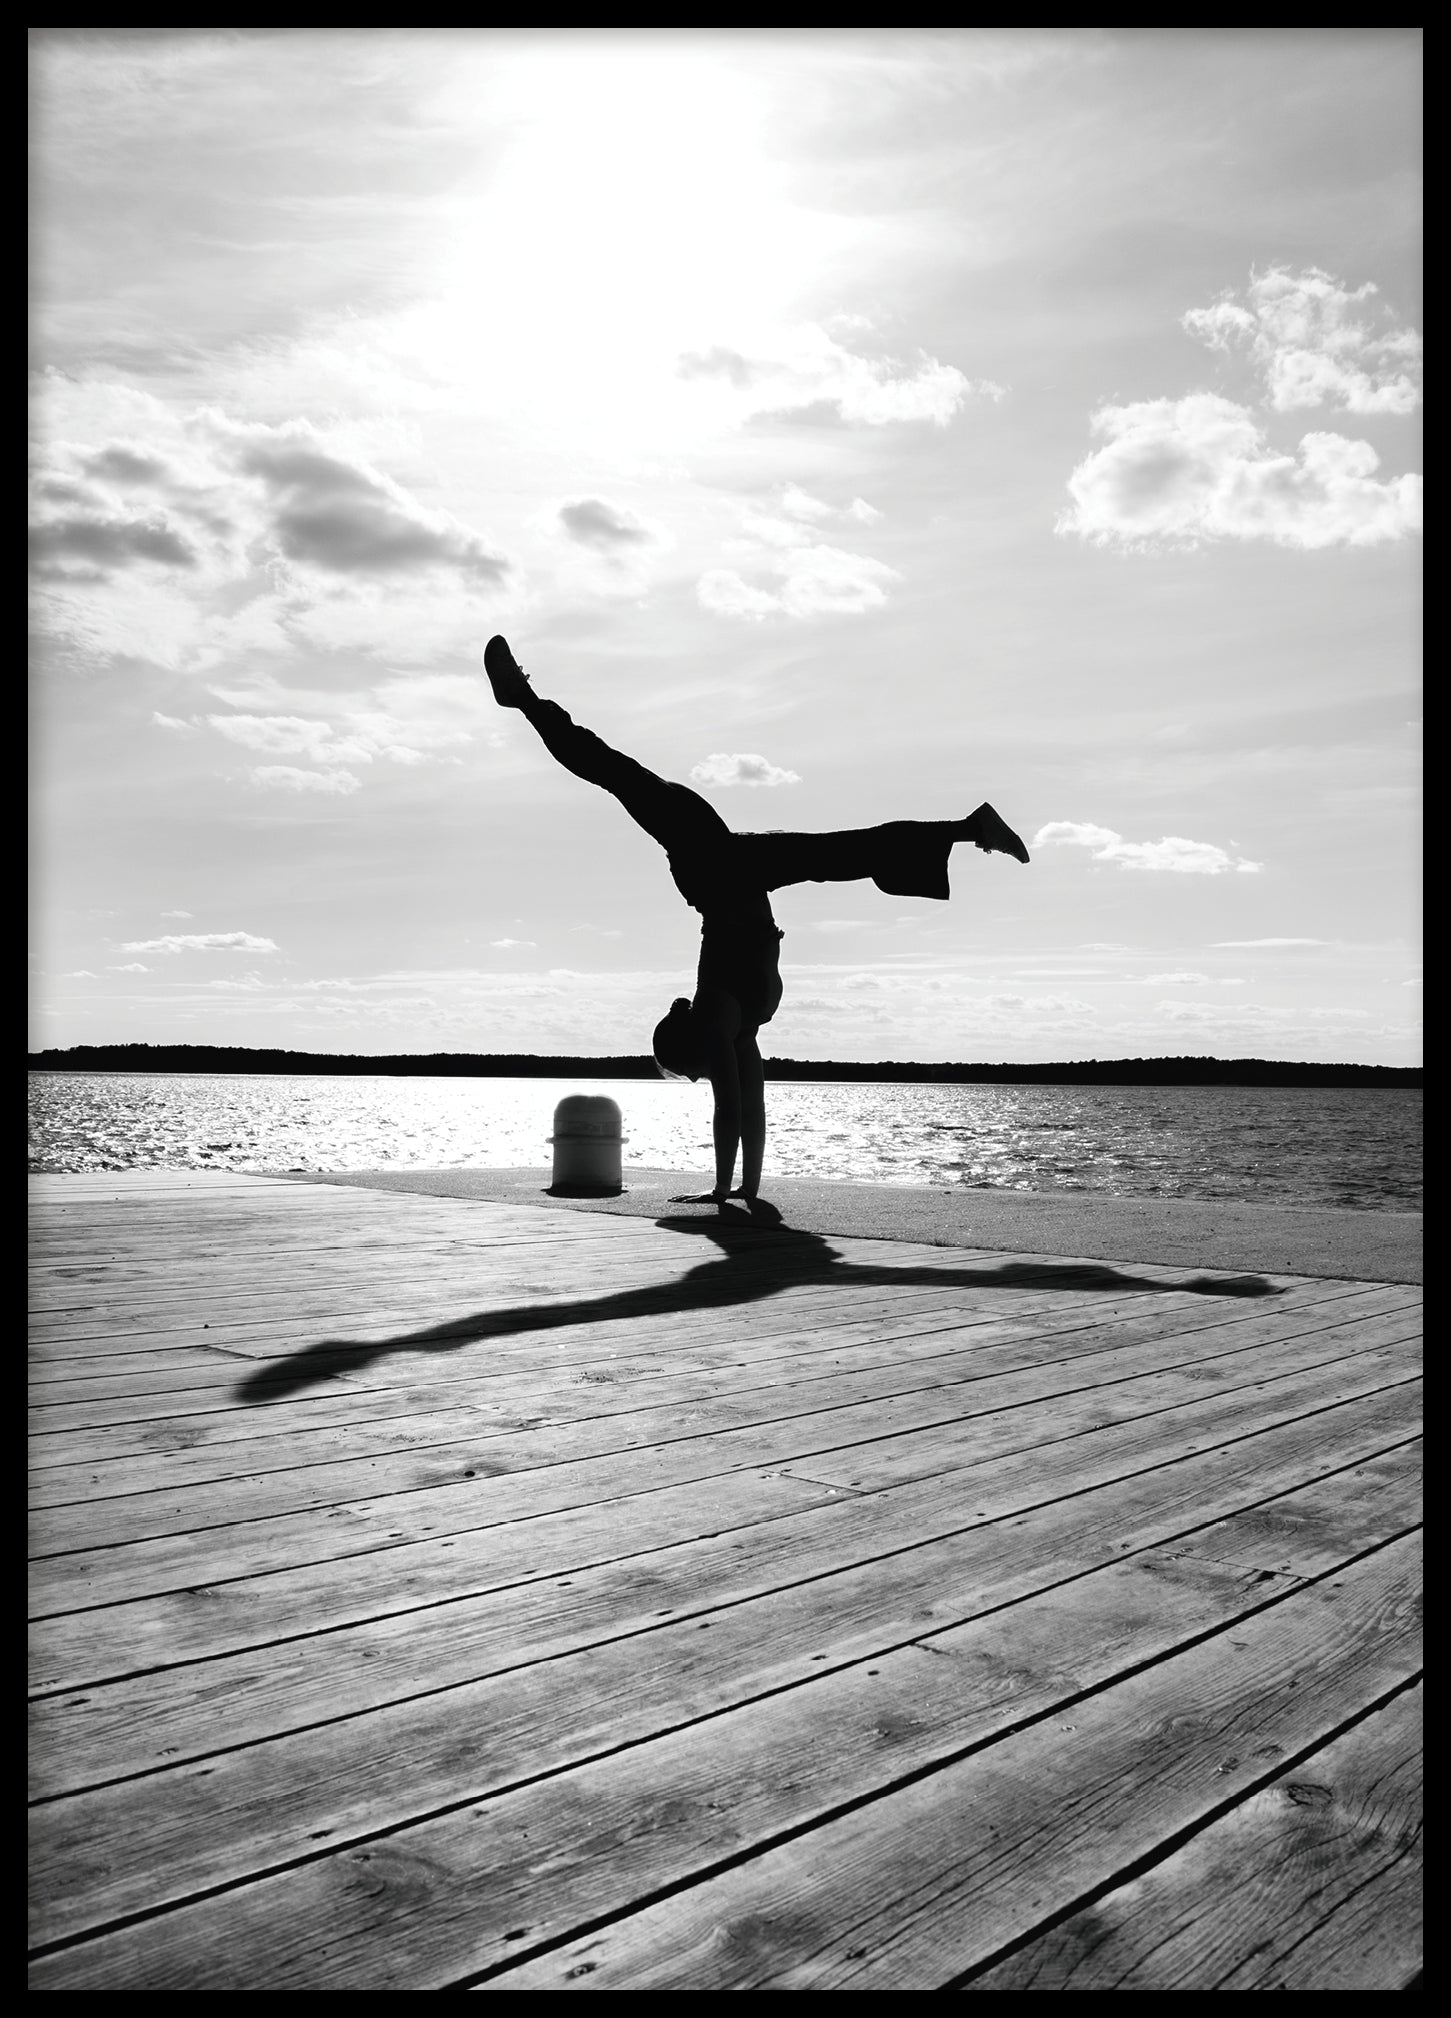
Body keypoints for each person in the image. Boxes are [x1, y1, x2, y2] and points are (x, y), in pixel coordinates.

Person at [483, 635, 1028, 1217]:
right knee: (840, 852)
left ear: (689, 1047)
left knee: (615, 772)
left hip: (712, 863)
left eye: (688, 1070)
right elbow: (752, 1109)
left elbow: (732, 1110)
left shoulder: (723, 1022)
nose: (698, 1077)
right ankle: (969, 829)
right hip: (723, 867)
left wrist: (725, 1190)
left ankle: (522, 697)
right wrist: (746, 1191)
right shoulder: (733, 1025)